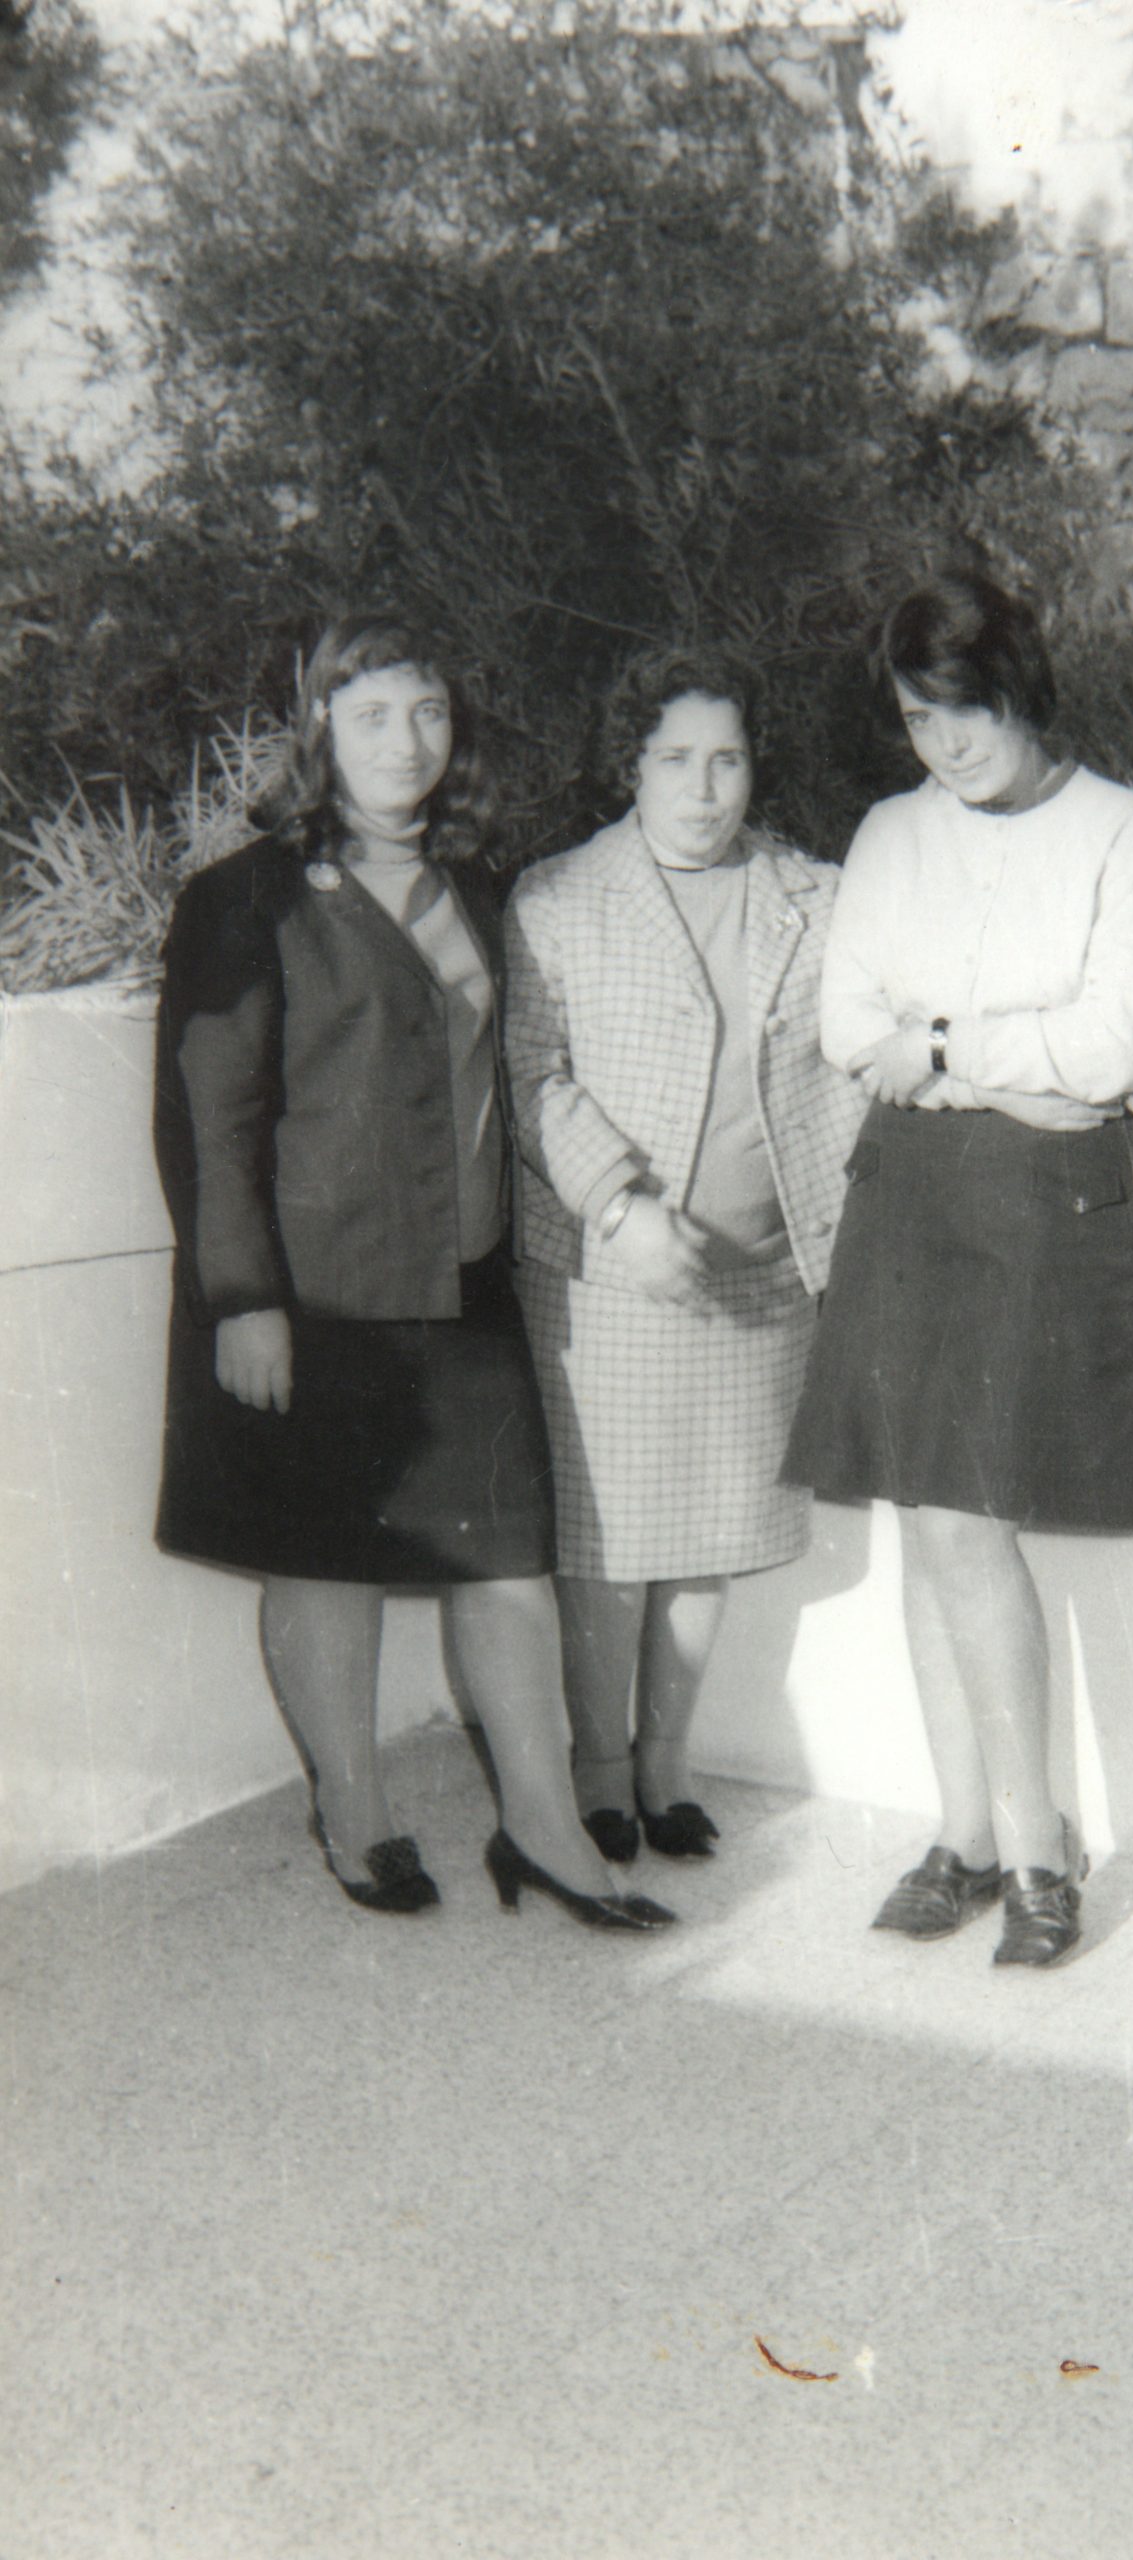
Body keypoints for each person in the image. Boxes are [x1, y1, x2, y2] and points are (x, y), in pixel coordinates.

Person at [153, 611, 673, 1932]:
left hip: (464, 1283)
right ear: (321, 726)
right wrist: (243, 1301)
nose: (405, 742)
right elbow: (212, 1123)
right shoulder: (248, 897)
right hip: (315, 1296)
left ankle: (544, 1828)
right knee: (325, 1559)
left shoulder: (480, 888)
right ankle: (353, 1807)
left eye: (428, 711)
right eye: (373, 713)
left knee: (507, 1565)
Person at [782, 572, 1133, 1967]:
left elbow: (1114, 1047)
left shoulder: (1128, 832)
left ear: (1023, 690)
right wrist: (1016, 1055)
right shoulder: (891, 833)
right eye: (917, 718)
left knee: (966, 1522)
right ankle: (964, 1835)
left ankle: (1036, 1848)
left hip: (1039, 1205)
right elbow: (849, 1028)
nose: (945, 744)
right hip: (908, 1190)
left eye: (966, 709)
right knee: (925, 1511)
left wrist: (946, 1044)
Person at [503, 644, 861, 1864]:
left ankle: (666, 1764)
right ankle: (598, 1769)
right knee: (610, 1542)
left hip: (759, 1277)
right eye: (674, 760)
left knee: (710, 1533)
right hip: (611, 1275)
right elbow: (533, 1074)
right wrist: (621, 1206)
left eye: (728, 760)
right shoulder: (558, 896)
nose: (704, 789)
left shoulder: (816, 893)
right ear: (631, 766)